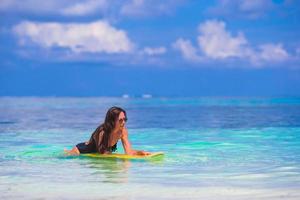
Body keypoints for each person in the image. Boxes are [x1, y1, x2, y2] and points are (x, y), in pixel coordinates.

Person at [64, 106, 150, 156]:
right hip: (81, 151)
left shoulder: (123, 131)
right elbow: (102, 154)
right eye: (120, 120)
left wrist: (140, 153)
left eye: (125, 119)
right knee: (65, 157)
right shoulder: (102, 132)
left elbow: (129, 152)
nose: (123, 122)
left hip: (101, 152)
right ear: (112, 120)